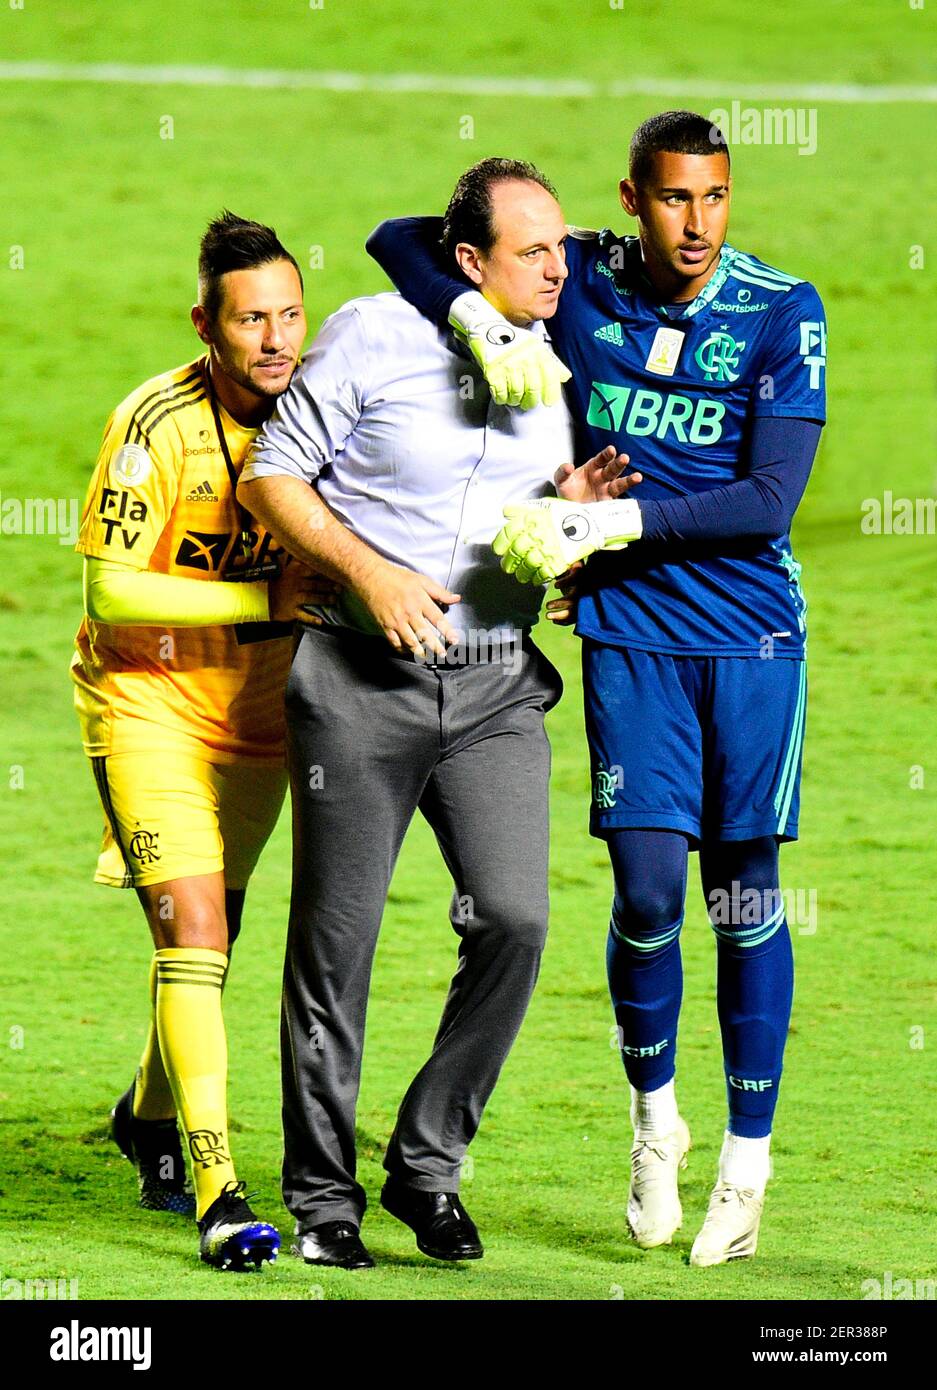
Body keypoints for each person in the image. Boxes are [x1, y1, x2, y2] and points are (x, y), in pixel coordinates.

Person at [367, 110, 827, 1266]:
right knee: (643, 895)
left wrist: (605, 519)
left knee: (743, 895)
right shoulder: (587, 277)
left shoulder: (781, 309)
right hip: (627, 634)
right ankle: (653, 1119)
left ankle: (746, 1159)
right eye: (674, 199)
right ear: (630, 199)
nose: (697, 224)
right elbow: (397, 233)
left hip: (753, 640)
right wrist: (472, 308)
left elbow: (769, 499)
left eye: (714, 198)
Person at [238, 158, 633, 1270]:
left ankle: (424, 1164)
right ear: (467, 263)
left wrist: (570, 522)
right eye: (531, 251)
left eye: (562, 247)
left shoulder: (570, 339)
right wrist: (368, 573)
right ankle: (323, 1199)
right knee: (336, 945)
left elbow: (522, 527)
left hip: (499, 682)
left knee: (514, 917)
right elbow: (275, 475)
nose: (559, 268)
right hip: (359, 682)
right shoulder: (373, 333)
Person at [71, 211, 335, 1271]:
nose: (274, 339)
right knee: (197, 935)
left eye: (287, 314)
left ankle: (146, 1109)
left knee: (211, 925)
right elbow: (112, 588)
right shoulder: (154, 425)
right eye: (249, 320)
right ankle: (218, 1186)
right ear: (205, 324)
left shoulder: (321, 409)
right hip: (147, 706)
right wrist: (259, 591)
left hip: (264, 719)